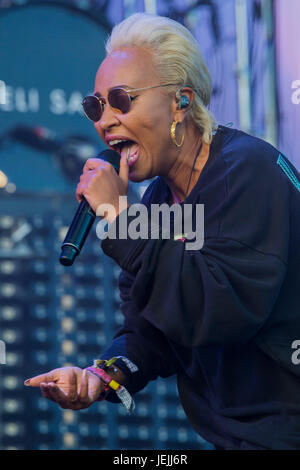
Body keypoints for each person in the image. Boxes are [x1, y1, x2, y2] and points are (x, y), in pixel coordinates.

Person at [24, 13, 300, 450]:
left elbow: (221, 310)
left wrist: (119, 216)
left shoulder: (248, 172)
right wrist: (101, 376)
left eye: (122, 99)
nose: (105, 121)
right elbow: (154, 331)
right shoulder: (157, 200)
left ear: (181, 101)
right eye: (96, 106)